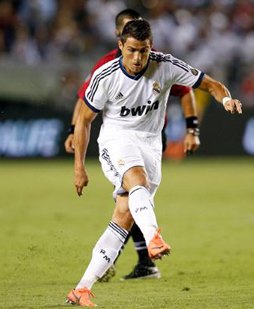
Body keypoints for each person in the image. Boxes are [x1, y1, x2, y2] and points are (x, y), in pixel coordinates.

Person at [65, 19, 242, 307]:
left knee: (123, 216)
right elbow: (84, 120)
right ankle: (153, 237)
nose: (138, 58)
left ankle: (81, 289)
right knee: (137, 179)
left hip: (151, 144)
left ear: (151, 47)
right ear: (121, 46)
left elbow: (212, 85)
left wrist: (227, 100)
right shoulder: (104, 75)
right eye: (132, 50)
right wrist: (79, 167)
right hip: (116, 140)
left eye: (144, 51)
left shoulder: (166, 65)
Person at [64, 9, 201, 281]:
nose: (137, 50)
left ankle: (116, 265)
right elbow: (85, 101)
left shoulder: (157, 63)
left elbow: (186, 91)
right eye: (130, 31)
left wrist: (191, 128)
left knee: (132, 200)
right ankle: (139, 256)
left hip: (152, 139)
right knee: (132, 195)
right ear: (119, 37)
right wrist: (73, 130)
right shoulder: (106, 68)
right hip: (120, 139)